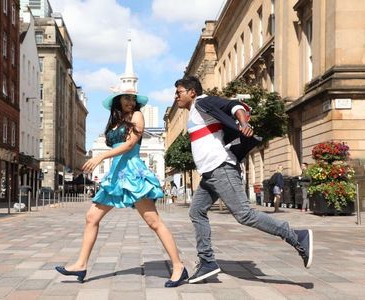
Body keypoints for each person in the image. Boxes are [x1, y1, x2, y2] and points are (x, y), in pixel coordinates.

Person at [173, 76, 313, 284]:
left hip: (221, 168)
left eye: (179, 92)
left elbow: (234, 105)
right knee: (196, 211)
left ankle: (297, 237)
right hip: (210, 173)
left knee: (245, 215)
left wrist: (244, 121)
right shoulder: (195, 112)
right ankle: (207, 262)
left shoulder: (202, 101)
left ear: (192, 92)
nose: (176, 97)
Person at [55, 89, 188, 287]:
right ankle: (81, 264)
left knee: (154, 222)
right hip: (116, 175)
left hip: (133, 173)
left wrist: (100, 157)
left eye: (133, 99)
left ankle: (178, 266)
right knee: (91, 217)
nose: (131, 102)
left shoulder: (137, 116)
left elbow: (129, 145)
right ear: (117, 101)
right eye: (127, 98)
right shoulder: (115, 121)